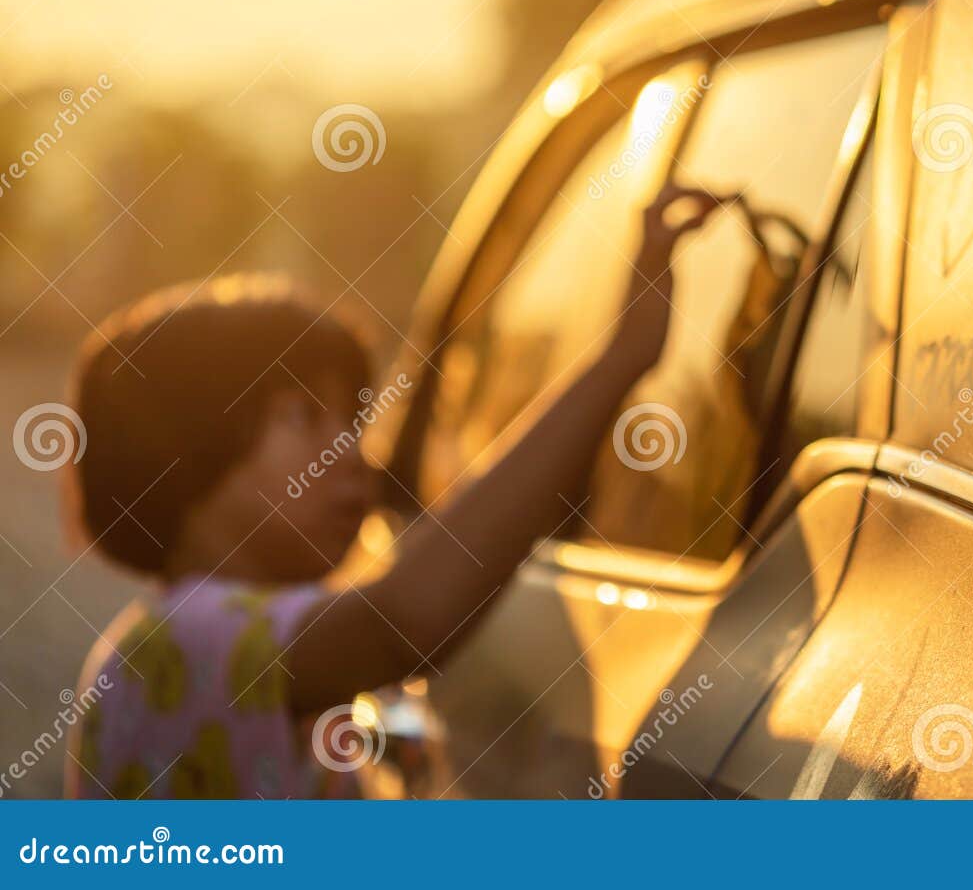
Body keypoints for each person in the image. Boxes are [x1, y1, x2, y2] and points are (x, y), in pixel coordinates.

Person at [62, 183, 729, 798]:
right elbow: (405, 621)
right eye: (303, 417)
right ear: (184, 449)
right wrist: (621, 359)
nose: (354, 453)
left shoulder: (220, 643)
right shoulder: (180, 641)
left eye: (352, 422)